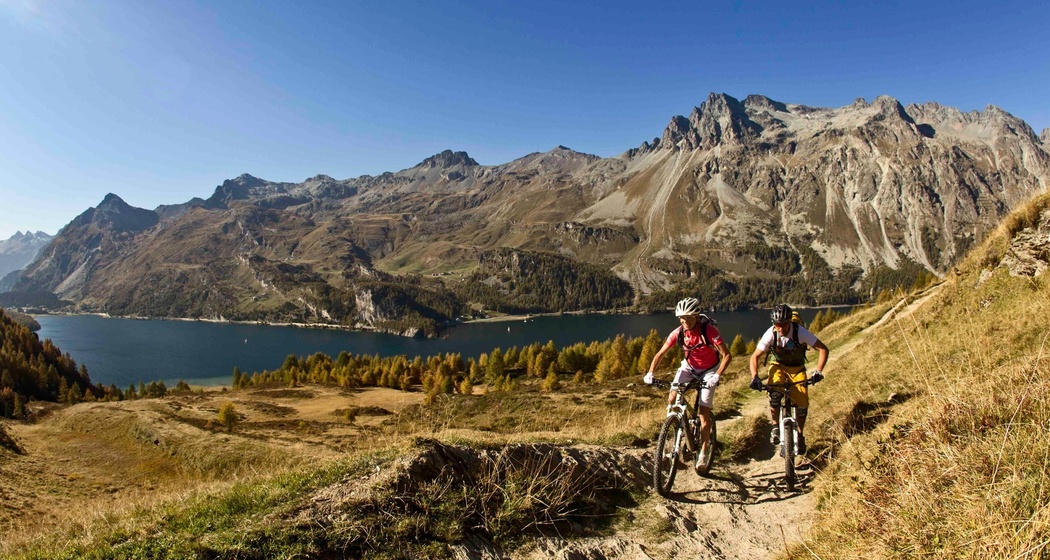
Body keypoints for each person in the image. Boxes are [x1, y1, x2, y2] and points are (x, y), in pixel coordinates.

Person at [643, 297, 732, 468]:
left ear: (697, 317)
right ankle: (674, 430)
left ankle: (704, 453)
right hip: (689, 368)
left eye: (688, 317)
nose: (684, 321)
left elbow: (727, 355)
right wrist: (650, 372)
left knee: (704, 412)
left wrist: (717, 375)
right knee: (672, 399)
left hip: (709, 371)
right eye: (681, 318)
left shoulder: (709, 331)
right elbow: (660, 353)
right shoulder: (678, 333)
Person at [748, 303, 829, 455]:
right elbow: (755, 356)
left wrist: (818, 371)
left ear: (790, 322)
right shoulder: (771, 333)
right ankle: (775, 428)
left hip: (797, 368)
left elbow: (823, 349)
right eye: (777, 325)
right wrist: (755, 377)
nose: (780, 328)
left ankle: (799, 434)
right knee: (775, 393)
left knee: (802, 403)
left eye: (784, 325)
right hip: (778, 365)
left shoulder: (800, 332)